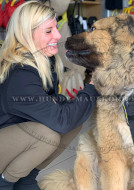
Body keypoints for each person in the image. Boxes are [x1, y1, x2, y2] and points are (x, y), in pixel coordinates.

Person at [0, 1, 99, 190]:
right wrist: (92, 85)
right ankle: (5, 182)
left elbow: (58, 105)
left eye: (56, 28)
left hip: (13, 136)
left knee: (72, 121)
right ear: (27, 35)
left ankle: (26, 178)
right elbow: (60, 120)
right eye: (48, 31)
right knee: (48, 134)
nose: (59, 35)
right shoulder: (21, 73)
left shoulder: (46, 60)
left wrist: (57, 101)